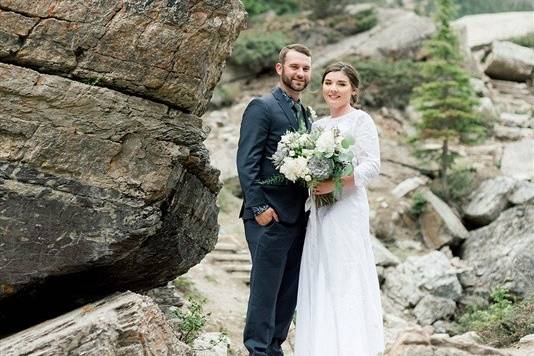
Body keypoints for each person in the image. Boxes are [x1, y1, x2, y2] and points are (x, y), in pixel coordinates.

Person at [294, 62, 384, 356]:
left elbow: (372, 165)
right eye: (329, 82)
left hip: (347, 208)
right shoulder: (317, 126)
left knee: (346, 272)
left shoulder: (361, 121)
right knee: (321, 271)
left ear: (353, 90)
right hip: (319, 211)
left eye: (341, 84)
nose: (333, 88)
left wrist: (336, 183)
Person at [236, 44, 312, 355]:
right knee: (266, 289)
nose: (301, 74)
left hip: (298, 218)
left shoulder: (305, 114)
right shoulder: (262, 106)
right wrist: (259, 207)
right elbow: (246, 162)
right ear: (280, 69)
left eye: (306, 69)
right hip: (268, 216)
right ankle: (257, 349)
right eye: (295, 67)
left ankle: (274, 347)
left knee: (288, 291)